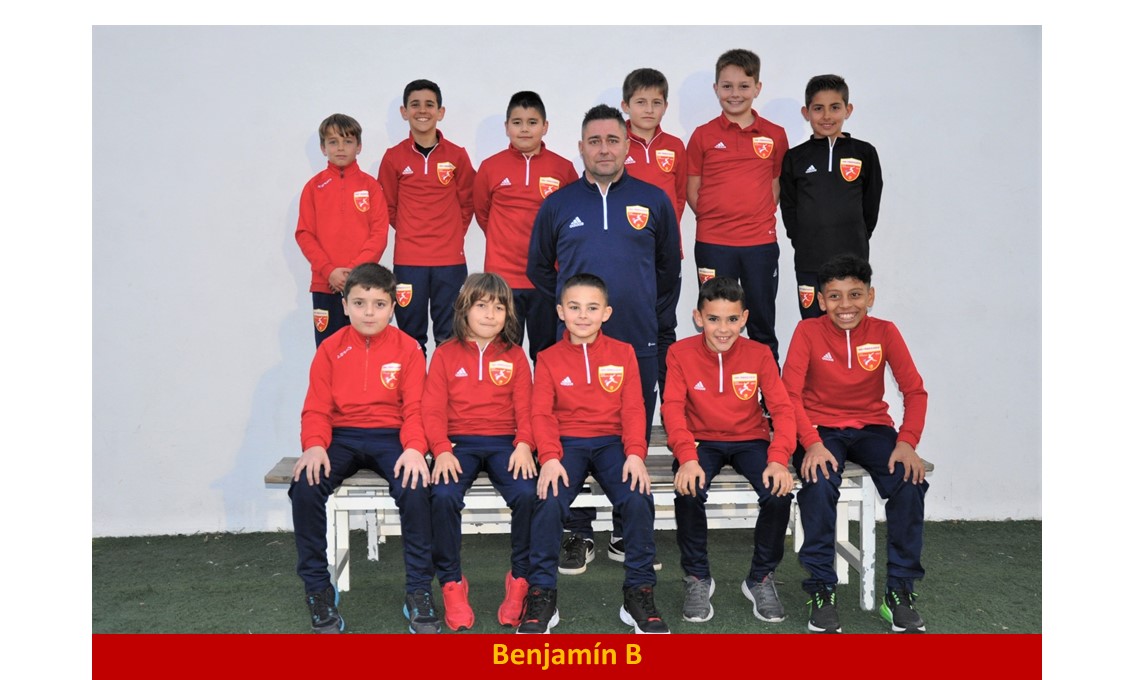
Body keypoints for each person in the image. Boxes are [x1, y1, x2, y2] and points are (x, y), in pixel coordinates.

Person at [527, 104, 680, 574]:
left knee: (630, 435)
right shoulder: (558, 205)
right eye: (594, 141)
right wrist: (574, 313)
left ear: (627, 144)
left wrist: (647, 313)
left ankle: (624, 528)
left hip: (639, 341)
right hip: (572, 349)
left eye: (612, 140)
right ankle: (577, 530)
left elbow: (669, 269)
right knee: (572, 437)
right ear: (581, 147)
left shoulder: (654, 200)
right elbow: (539, 268)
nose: (604, 149)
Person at [781, 254, 929, 634]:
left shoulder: (886, 332)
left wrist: (907, 442)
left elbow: (915, 391)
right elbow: (789, 395)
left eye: (855, 295)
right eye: (834, 296)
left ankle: (899, 592)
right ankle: (821, 589)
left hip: (872, 427)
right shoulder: (807, 332)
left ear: (870, 296)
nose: (845, 305)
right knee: (818, 482)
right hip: (820, 429)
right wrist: (811, 443)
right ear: (820, 300)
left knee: (910, 480)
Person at [289, 263, 437, 634]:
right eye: (359, 303)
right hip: (342, 437)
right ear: (344, 305)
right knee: (305, 486)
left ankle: (419, 590)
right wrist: (314, 446)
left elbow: (415, 409)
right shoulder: (330, 349)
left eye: (379, 304)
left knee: (416, 486)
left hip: (392, 437)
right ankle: (318, 589)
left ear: (392, 307)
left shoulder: (409, 349)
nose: (369, 312)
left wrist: (414, 448)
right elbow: (316, 408)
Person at [518, 274, 669, 634]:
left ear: (606, 313)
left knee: (637, 496)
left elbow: (634, 408)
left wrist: (635, 453)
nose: (583, 315)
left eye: (591, 308)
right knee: (548, 498)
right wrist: (549, 457)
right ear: (560, 312)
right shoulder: (548, 358)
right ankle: (541, 594)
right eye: (574, 307)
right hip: (566, 445)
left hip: (612, 444)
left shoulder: (623, 352)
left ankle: (639, 593)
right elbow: (541, 413)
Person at [662, 276, 796, 624]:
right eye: (713, 319)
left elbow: (783, 410)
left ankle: (760, 578)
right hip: (700, 441)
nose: (723, 329)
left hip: (750, 440)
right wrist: (687, 458)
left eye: (732, 319)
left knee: (779, 492)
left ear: (744, 318)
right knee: (688, 488)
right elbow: (672, 409)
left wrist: (779, 459)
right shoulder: (679, 353)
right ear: (698, 317)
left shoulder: (759, 354)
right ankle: (697, 577)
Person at [423, 273, 537, 631]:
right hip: (458, 445)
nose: (490, 314)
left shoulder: (515, 355)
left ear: (508, 314)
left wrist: (524, 444)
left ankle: (520, 580)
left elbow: (527, 408)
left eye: (499, 307)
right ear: (464, 309)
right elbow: (432, 410)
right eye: (482, 306)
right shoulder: (444, 354)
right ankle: (452, 583)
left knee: (528, 494)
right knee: (443, 495)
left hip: (506, 443)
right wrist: (441, 449)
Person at [686, 48, 788, 360]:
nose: (735, 93)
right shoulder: (702, 136)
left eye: (744, 86)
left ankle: (768, 388)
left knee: (761, 322)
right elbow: (693, 189)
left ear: (757, 88)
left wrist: (752, 217)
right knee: (716, 323)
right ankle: (715, 386)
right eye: (727, 86)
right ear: (716, 88)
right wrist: (717, 219)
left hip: (759, 244)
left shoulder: (775, 135)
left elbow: (775, 186)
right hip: (713, 244)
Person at [474, 91, 579, 363]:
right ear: (506, 127)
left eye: (532, 122)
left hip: (546, 278)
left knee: (546, 354)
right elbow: (482, 213)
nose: (524, 129)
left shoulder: (563, 168)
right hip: (503, 280)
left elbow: (570, 219)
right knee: (503, 356)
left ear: (545, 127)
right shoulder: (490, 167)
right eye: (517, 122)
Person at [378, 79, 476, 356]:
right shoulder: (393, 157)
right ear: (404, 112)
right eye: (415, 104)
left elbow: (468, 202)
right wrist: (411, 230)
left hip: (450, 262)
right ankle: (414, 387)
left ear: (440, 112)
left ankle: (446, 387)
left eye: (429, 105)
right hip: (409, 262)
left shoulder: (457, 155)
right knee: (411, 341)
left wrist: (451, 233)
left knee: (451, 339)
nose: (422, 110)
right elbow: (388, 206)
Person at [780, 74, 883, 320]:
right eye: (818, 108)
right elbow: (789, 207)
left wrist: (857, 236)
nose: (826, 116)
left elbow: (871, 205)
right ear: (806, 112)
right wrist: (802, 239)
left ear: (848, 110)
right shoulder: (795, 157)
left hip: (853, 259)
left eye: (835, 107)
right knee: (812, 325)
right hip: (810, 260)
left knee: (850, 322)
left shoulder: (864, 153)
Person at [620, 67, 687, 407]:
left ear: (665, 106)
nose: (649, 109)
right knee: (622, 332)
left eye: (656, 102)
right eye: (640, 102)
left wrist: (664, 241)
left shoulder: (675, 146)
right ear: (625, 106)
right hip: (625, 260)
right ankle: (626, 407)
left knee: (663, 330)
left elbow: (679, 198)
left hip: (664, 258)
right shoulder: (616, 145)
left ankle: (669, 408)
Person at [295, 113, 390, 346]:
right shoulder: (313, 188)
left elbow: (379, 235)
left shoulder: (371, 187)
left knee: (365, 350)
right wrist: (329, 271)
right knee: (329, 349)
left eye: (347, 141)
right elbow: (305, 235)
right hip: (325, 285)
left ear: (359, 146)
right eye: (333, 142)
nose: (340, 148)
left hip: (363, 287)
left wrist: (355, 274)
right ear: (323, 147)